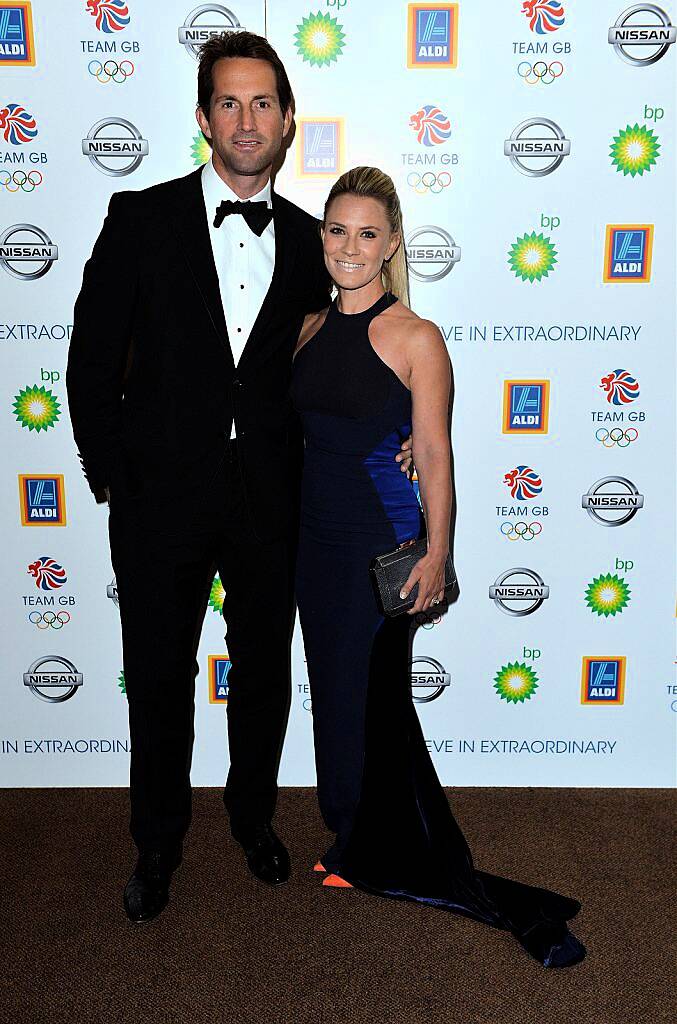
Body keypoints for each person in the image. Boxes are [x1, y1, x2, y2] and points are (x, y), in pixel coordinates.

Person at [67, 32, 412, 923]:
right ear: (201, 117)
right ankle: (155, 842)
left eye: (263, 103)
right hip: (156, 504)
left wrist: (407, 433)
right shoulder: (137, 219)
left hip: (272, 504)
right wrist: (112, 478)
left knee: (261, 675)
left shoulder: (315, 242)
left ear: (288, 121)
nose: (246, 119)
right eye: (229, 102)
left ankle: (252, 821)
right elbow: (89, 360)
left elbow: (366, 347)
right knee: (156, 677)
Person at [291, 166, 586, 968]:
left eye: (366, 233)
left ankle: (377, 848)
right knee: (336, 697)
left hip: (378, 544)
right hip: (310, 544)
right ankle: (353, 833)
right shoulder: (307, 327)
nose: (348, 247)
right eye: (335, 230)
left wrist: (438, 552)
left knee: (373, 699)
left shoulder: (416, 336)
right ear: (323, 237)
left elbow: (434, 452)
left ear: (389, 246)